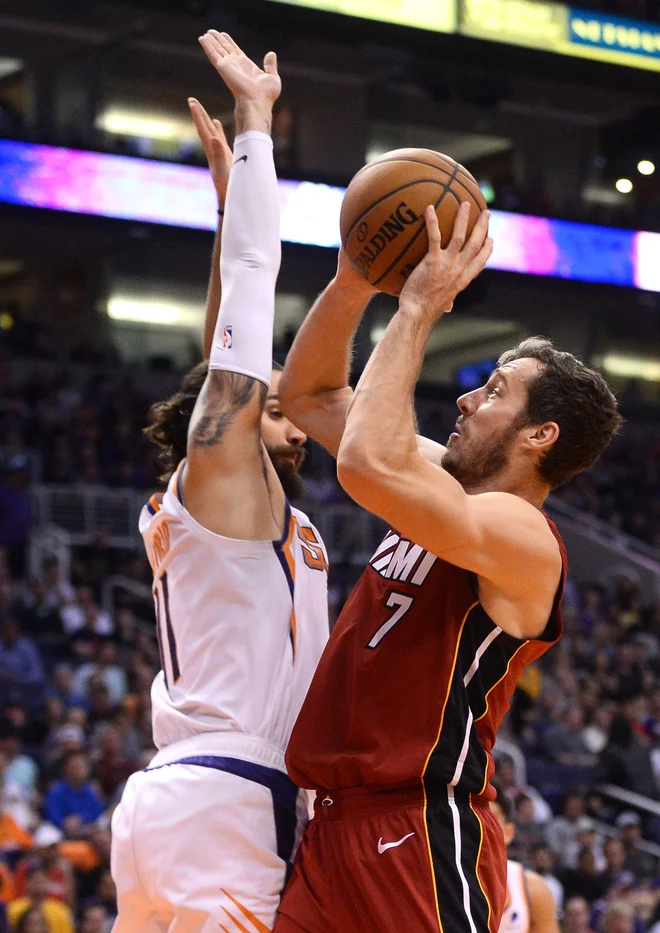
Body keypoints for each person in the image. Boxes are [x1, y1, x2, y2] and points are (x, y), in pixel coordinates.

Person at [274, 197, 621, 932]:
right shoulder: (441, 484)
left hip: (417, 829)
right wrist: (352, 282)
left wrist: (421, 306)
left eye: (495, 391)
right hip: (332, 825)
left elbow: (368, 462)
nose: (465, 399)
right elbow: (308, 396)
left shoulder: (522, 535)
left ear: (540, 436)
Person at [110, 31, 328, 933]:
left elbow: (221, 358)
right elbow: (246, 304)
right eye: (273, 405)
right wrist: (256, 126)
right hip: (233, 799)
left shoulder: (205, 500)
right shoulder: (235, 490)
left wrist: (229, 202)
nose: (295, 415)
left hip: (175, 802)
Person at [489, 782, 559, 933]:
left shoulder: (533, 890)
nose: (481, 827)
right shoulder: (438, 884)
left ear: (509, 832)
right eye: (473, 819)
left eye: (491, 819)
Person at [7, 863, 74, 933]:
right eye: (35, 879)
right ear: (26, 883)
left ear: (48, 882)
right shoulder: (12, 910)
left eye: (42, 879)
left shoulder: (61, 911)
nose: (38, 883)